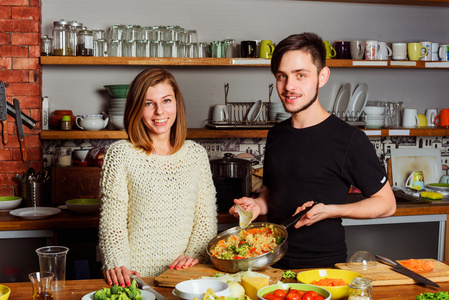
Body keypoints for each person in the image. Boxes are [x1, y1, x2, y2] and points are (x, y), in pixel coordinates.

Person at [230, 32, 396, 269]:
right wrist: (257, 206)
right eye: (281, 76)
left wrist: (331, 210)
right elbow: (273, 193)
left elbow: (387, 203)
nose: (289, 86)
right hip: (270, 262)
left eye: (301, 75)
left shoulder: (349, 139)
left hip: (323, 268)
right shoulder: (276, 134)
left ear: (322, 76)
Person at [99, 68, 217, 287]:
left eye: (166, 100)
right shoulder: (121, 154)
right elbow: (113, 222)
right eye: (148, 103)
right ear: (136, 108)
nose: (159, 111)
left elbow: (205, 220)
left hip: (185, 277)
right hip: (134, 277)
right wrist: (116, 262)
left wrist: (194, 254)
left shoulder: (196, 155)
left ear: (177, 104)